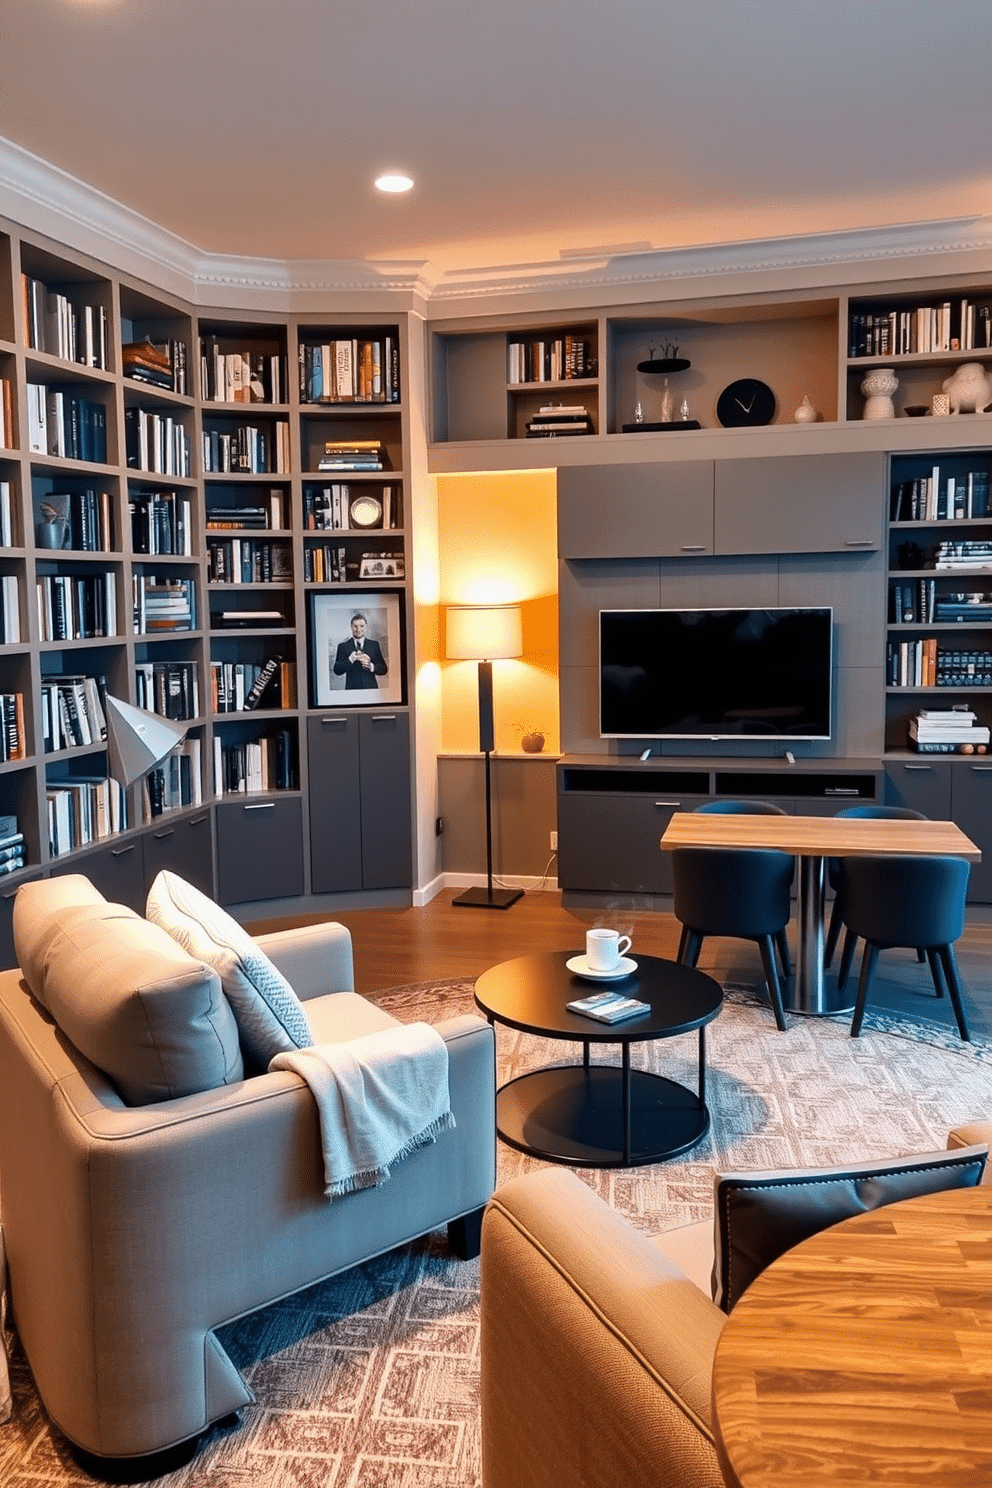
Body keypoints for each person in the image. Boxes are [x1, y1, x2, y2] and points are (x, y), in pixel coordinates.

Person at [332, 612, 387, 690]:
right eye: (355, 626)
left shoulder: (374, 645)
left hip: (371, 690)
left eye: (362, 626)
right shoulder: (343, 646)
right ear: (351, 627)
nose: (358, 629)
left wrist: (371, 667)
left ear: (366, 627)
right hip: (352, 691)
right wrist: (350, 660)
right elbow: (337, 670)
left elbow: (384, 669)